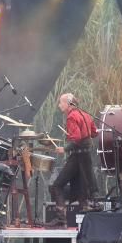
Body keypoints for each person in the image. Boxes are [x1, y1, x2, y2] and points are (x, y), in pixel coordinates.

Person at [47, 92, 97, 225]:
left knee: (57, 185)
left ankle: (61, 219)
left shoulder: (71, 117)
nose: (59, 105)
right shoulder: (85, 115)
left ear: (68, 104)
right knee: (81, 190)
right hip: (86, 156)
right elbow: (94, 133)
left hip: (77, 155)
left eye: (60, 102)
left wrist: (64, 149)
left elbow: (76, 138)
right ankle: (88, 221)